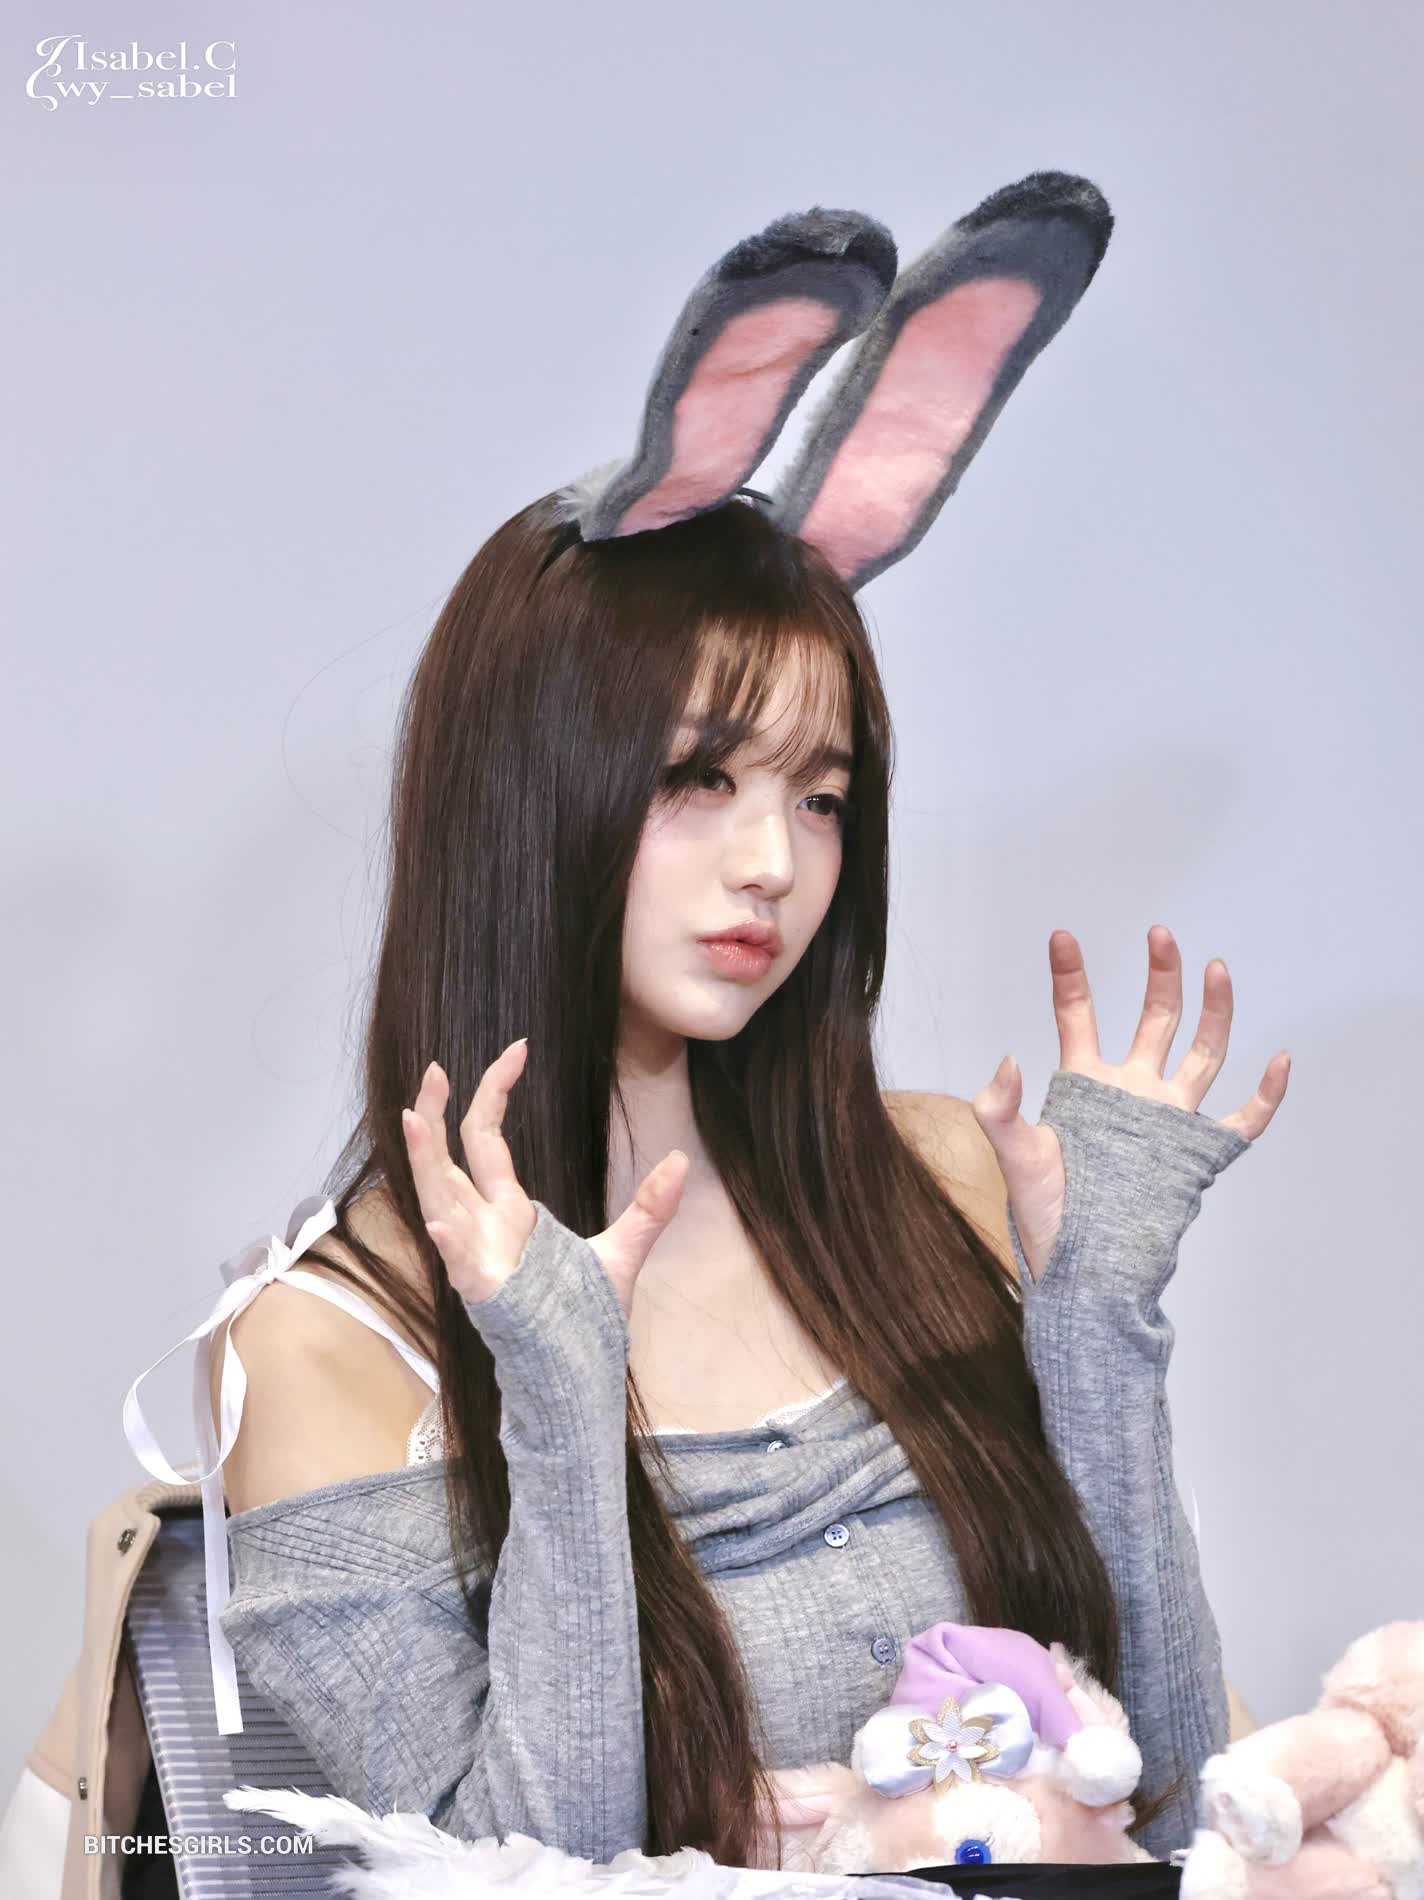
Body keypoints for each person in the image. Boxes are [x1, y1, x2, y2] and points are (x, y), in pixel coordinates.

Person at [115, 175, 1286, 1878]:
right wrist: (560, 1387)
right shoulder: (325, 1350)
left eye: (821, 796)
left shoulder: (938, 1177)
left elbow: (1175, 1805)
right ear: (530, 796)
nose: (775, 865)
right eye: (699, 779)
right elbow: (527, 1877)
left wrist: (1101, 1314)